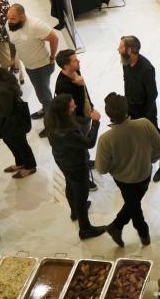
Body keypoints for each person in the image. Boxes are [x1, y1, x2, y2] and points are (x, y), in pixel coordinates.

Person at [95, 92, 160, 247]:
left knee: (133, 204)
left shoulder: (105, 139)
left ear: (108, 114)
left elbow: (101, 168)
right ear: (127, 109)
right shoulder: (144, 124)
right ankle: (136, 231)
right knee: (134, 204)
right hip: (145, 174)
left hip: (123, 180)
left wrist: (116, 167)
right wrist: (149, 159)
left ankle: (126, 228)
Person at [45, 94, 106, 240]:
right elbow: (89, 143)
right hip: (75, 164)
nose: (75, 106)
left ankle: (74, 212)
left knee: (69, 183)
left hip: (62, 158)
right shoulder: (68, 132)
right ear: (64, 110)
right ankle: (85, 229)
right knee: (81, 193)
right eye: (72, 106)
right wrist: (96, 122)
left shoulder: (51, 119)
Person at [118, 36, 160, 181]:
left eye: (121, 47)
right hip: (131, 106)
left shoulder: (147, 68)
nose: (119, 49)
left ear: (130, 50)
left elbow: (152, 94)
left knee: (156, 136)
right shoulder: (125, 62)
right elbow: (126, 81)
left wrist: (147, 117)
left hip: (146, 110)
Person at [0, 62, 35, 178]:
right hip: (8, 124)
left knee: (21, 145)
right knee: (11, 143)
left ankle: (30, 166)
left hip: (13, 124)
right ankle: (20, 163)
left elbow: (6, 112)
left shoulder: (2, 90)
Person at [6, 4, 58, 122]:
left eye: (13, 18)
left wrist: (52, 57)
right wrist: (13, 57)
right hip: (29, 66)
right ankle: (46, 109)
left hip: (41, 66)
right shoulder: (10, 24)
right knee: (41, 92)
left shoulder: (36, 26)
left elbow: (54, 38)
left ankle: (51, 121)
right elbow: (12, 41)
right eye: (8, 18)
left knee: (44, 95)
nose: (9, 21)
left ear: (23, 17)